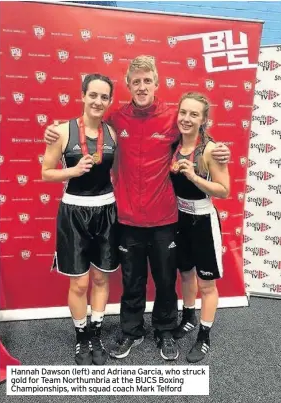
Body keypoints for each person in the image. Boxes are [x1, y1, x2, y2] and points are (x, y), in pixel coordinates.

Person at [44, 55, 230, 361]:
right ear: (129, 85)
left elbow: (194, 134)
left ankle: (164, 330)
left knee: (166, 279)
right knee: (132, 280)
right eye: (136, 82)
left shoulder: (172, 116)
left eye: (147, 81)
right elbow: (86, 125)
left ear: (156, 84)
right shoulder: (117, 118)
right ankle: (131, 330)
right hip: (127, 218)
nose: (142, 87)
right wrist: (53, 131)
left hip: (164, 217)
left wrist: (217, 146)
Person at [41, 74, 119, 366]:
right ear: (83, 95)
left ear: (109, 101)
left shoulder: (112, 132)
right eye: (93, 95)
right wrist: (71, 172)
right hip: (74, 211)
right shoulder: (62, 131)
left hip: (107, 210)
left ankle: (96, 332)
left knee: (100, 277)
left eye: (104, 97)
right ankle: (81, 335)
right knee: (79, 284)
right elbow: (46, 172)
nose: (98, 101)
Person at [170, 92, 230, 363]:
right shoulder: (173, 145)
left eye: (194, 114)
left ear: (204, 119)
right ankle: (188, 318)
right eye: (183, 112)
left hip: (204, 221)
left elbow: (224, 190)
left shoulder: (210, 149)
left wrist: (194, 176)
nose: (186, 118)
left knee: (206, 283)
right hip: (180, 219)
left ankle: (204, 335)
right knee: (185, 274)